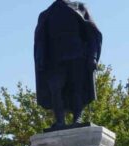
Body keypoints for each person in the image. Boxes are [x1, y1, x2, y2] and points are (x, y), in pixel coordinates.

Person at [34, 0, 102, 129]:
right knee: (55, 89)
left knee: (77, 88)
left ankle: (78, 118)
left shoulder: (79, 7)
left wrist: (93, 56)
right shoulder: (46, 14)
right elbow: (41, 40)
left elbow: (92, 35)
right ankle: (60, 121)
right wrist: (40, 59)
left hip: (77, 56)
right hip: (54, 59)